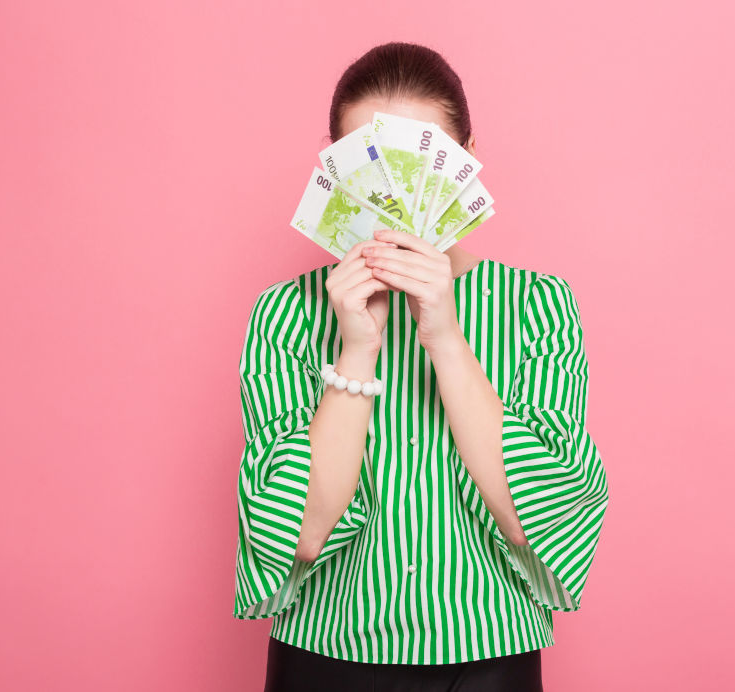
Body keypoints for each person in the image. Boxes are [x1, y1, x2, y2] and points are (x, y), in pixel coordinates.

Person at [233, 41, 610, 692]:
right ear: (335, 167)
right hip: (324, 655)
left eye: (420, 160)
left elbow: (538, 519)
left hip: (488, 656)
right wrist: (357, 348)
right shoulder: (284, 314)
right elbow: (298, 534)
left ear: (462, 161)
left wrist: (443, 336)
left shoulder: (538, 306)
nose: (396, 189)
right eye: (371, 162)